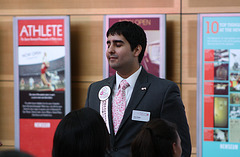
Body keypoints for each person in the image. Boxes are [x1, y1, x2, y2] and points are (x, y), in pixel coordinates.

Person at [85, 21, 191, 157]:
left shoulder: (163, 91)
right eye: (108, 44)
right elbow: (86, 140)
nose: (110, 50)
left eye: (118, 45)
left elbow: (181, 146)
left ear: (137, 50)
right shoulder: (95, 90)